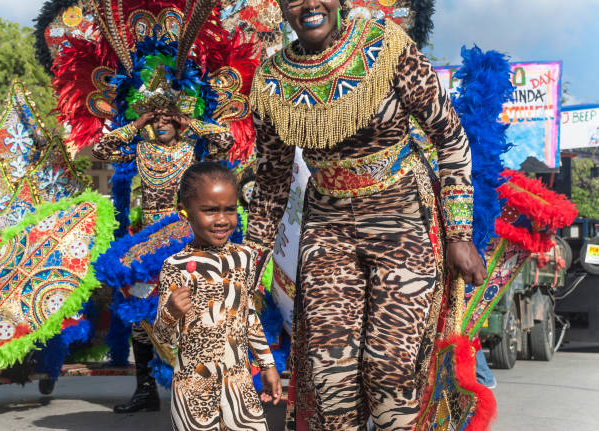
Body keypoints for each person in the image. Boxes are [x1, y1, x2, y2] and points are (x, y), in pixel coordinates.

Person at [245, 1, 488, 430]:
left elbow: (450, 139)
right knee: (330, 376)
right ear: (282, 8)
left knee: (390, 370)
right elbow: (270, 181)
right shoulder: (270, 80)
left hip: (402, 218)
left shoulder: (388, 46)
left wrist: (460, 234)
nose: (307, 4)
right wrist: (249, 265)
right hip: (327, 226)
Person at [93, 109, 232, 413]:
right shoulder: (141, 150)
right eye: (155, 119)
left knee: (195, 313)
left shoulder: (194, 150)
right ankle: (146, 391)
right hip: (147, 248)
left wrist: (190, 122)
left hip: (186, 242)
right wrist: (136, 124)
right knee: (140, 318)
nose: (161, 123)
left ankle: (204, 388)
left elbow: (226, 140)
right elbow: (101, 149)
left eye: (168, 118)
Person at [153, 162, 282, 430]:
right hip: (192, 389)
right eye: (210, 210)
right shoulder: (174, 266)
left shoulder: (244, 258)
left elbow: (248, 315)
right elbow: (164, 338)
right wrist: (171, 312)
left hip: (239, 383)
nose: (222, 220)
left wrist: (267, 364)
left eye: (230, 209)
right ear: (185, 214)